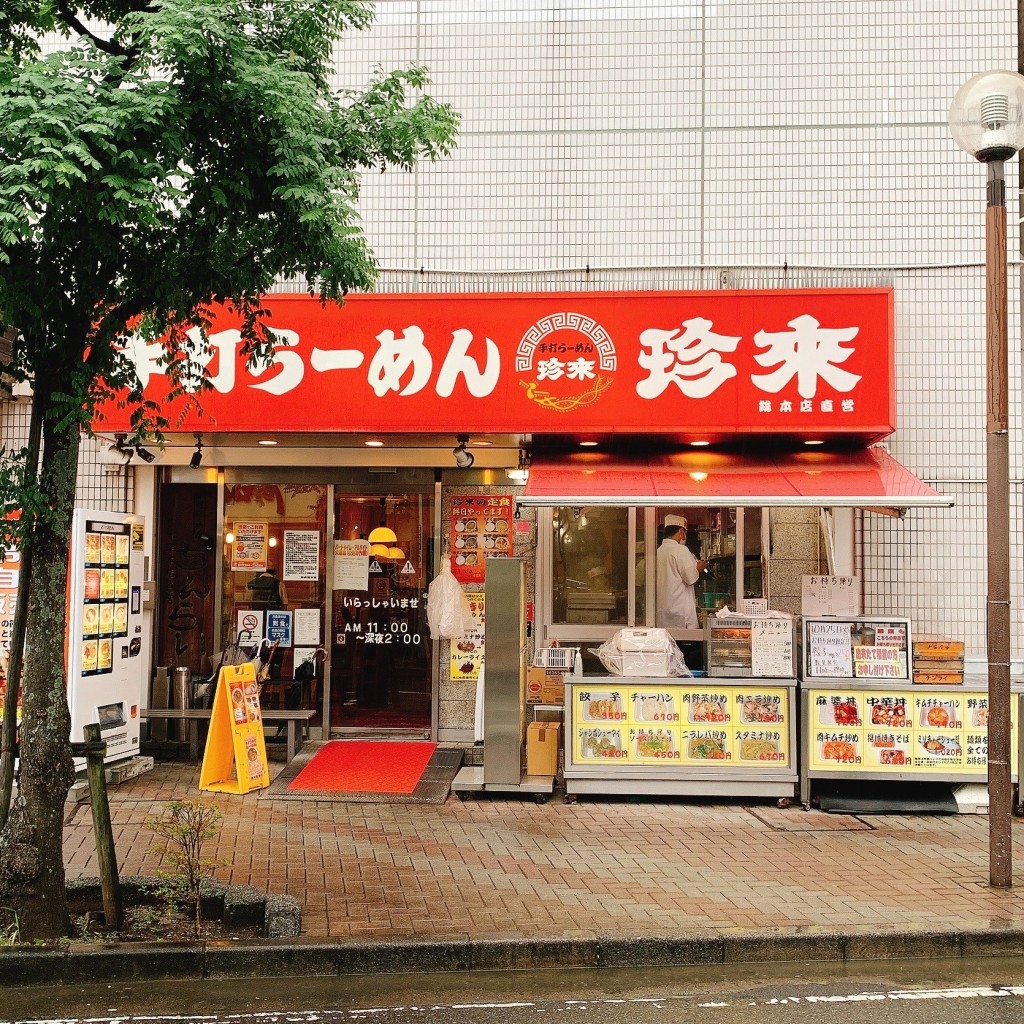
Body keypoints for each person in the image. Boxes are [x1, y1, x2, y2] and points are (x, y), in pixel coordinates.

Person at [656, 514, 707, 629]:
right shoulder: (680, 550)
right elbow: (690, 578)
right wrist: (698, 568)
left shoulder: (658, 551)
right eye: (685, 533)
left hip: (662, 615)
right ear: (681, 532)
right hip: (680, 616)